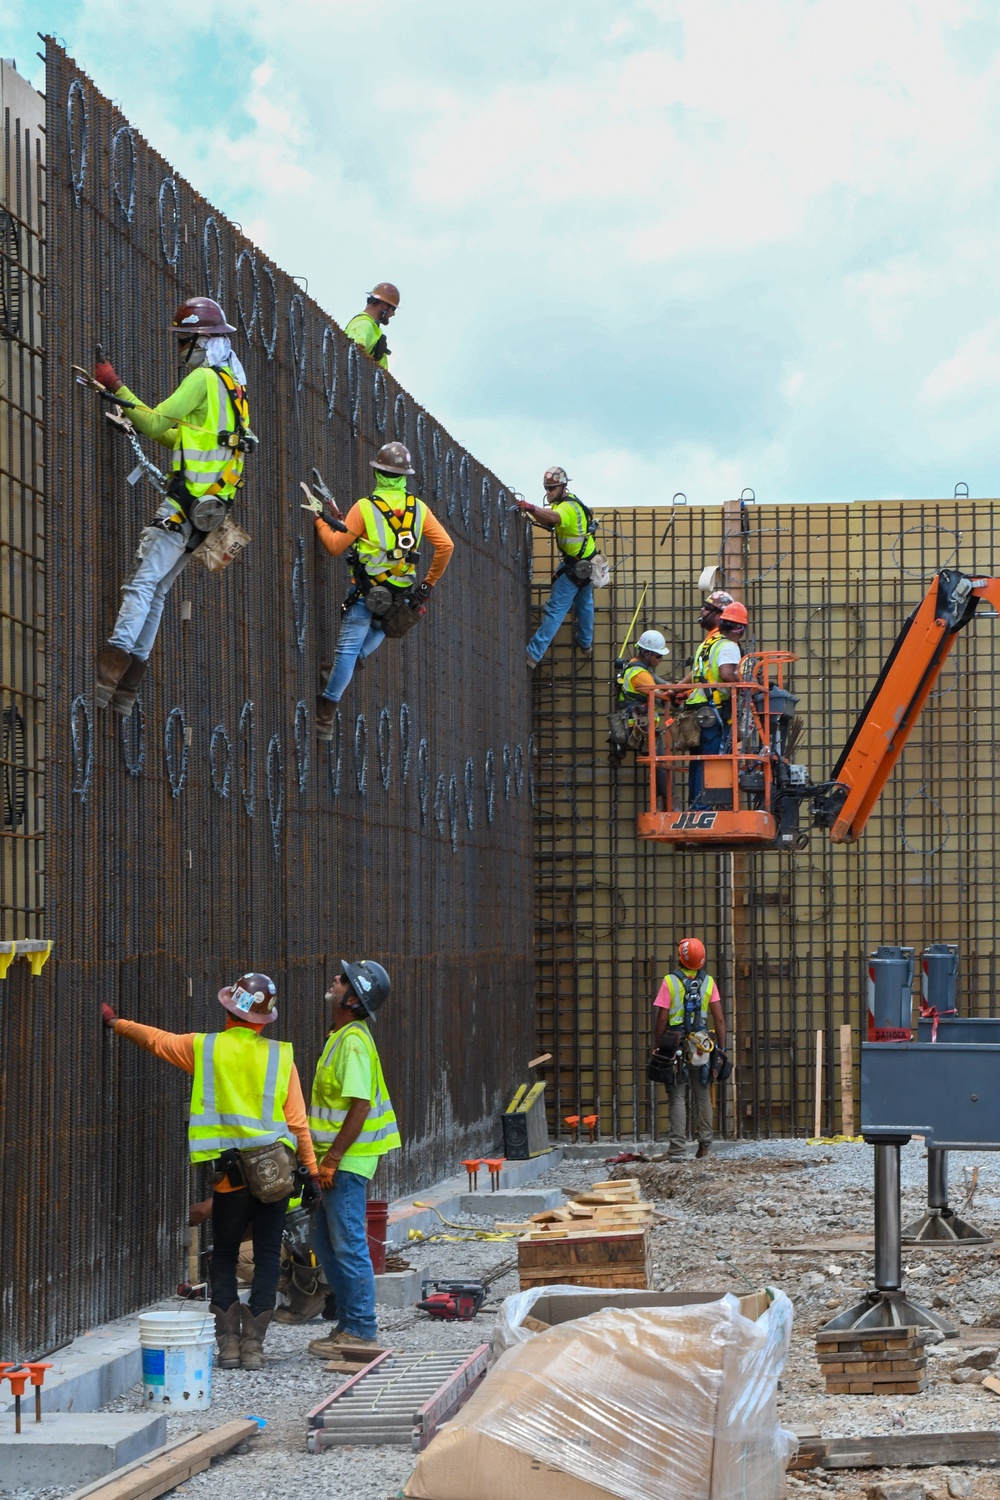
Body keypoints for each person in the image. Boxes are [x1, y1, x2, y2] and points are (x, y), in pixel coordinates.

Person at [101, 973, 319, 1370]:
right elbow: (299, 1122)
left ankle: (228, 1347)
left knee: (224, 1254)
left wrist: (117, 1024)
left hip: (229, 1175)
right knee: (269, 1254)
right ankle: (254, 1347)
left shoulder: (205, 1048)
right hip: (275, 1175)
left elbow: (156, 1040)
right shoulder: (279, 1056)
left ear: (229, 1009)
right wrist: (313, 1170)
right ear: (263, 1019)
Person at [92, 298, 253, 715]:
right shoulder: (235, 390)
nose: (181, 348)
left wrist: (115, 386)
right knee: (159, 591)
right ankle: (127, 689)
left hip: (184, 506)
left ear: (200, 341)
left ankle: (110, 669)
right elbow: (180, 439)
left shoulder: (202, 379)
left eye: (185, 339)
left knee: (142, 584)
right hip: (209, 515)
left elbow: (155, 423)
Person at [308, 442, 454, 732]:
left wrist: (320, 523)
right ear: (403, 476)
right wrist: (428, 584)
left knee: (347, 652)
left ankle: (326, 713)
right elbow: (446, 546)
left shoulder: (365, 508)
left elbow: (337, 546)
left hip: (367, 592)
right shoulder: (419, 509)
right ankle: (340, 673)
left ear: (377, 473)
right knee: (380, 629)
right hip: (399, 594)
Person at [307, 960, 401, 1360]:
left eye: (342, 979)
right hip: (335, 1163)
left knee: (347, 1244)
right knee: (324, 1242)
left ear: (352, 996)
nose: (334, 979)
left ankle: (361, 1329)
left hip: (345, 1164)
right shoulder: (342, 1035)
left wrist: (332, 1159)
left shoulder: (354, 1042)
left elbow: (360, 1105)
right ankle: (348, 1323)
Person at [649, 937, 729, 1160]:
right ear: (702, 961)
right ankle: (705, 1147)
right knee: (702, 1094)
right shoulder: (709, 982)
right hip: (702, 1045)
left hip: (675, 1044)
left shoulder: (670, 981)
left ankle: (677, 1149)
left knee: (677, 1096)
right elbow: (719, 1019)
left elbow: (662, 1018)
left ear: (680, 957)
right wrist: (721, 1049)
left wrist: (658, 1045)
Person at [517, 468, 597, 667]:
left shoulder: (566, 509)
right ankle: (586, 644)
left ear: (563, 487)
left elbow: (553, 519)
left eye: (552, 488)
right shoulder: (572, 500)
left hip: (575, 567)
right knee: (585, 604)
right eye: (547, 488)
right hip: (588, 563)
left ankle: (533, 655)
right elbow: (553, 520)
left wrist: (532, 508)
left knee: (555, 610)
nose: (549, 493)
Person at [679, 599, 748, 807]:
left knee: (697, 761)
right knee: (711, 760)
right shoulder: (729, 646)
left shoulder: (707, 644)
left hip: (697, 708)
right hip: (713, 711)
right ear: (740, 628)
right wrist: (745, 686)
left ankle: (695, 806)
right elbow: (727, 674)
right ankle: (702, 808)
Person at [614, 630, 671, 808]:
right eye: (658, 656)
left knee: (659, 765)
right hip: (641, 729)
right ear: (646, 653)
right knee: (661, 764)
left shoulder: (634, 667)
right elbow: (662, 698)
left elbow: (662, 686)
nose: (660, 660)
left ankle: (666, 801)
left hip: (637, 727)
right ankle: (671, 803)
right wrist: (679, 697)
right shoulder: (641, 675)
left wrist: (677, 689)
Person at [345, 283, 400, 370]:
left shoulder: (372, 327)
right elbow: (353, 355)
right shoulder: (364, 324)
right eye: (393, 309)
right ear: (384, 305)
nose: (393, 314)